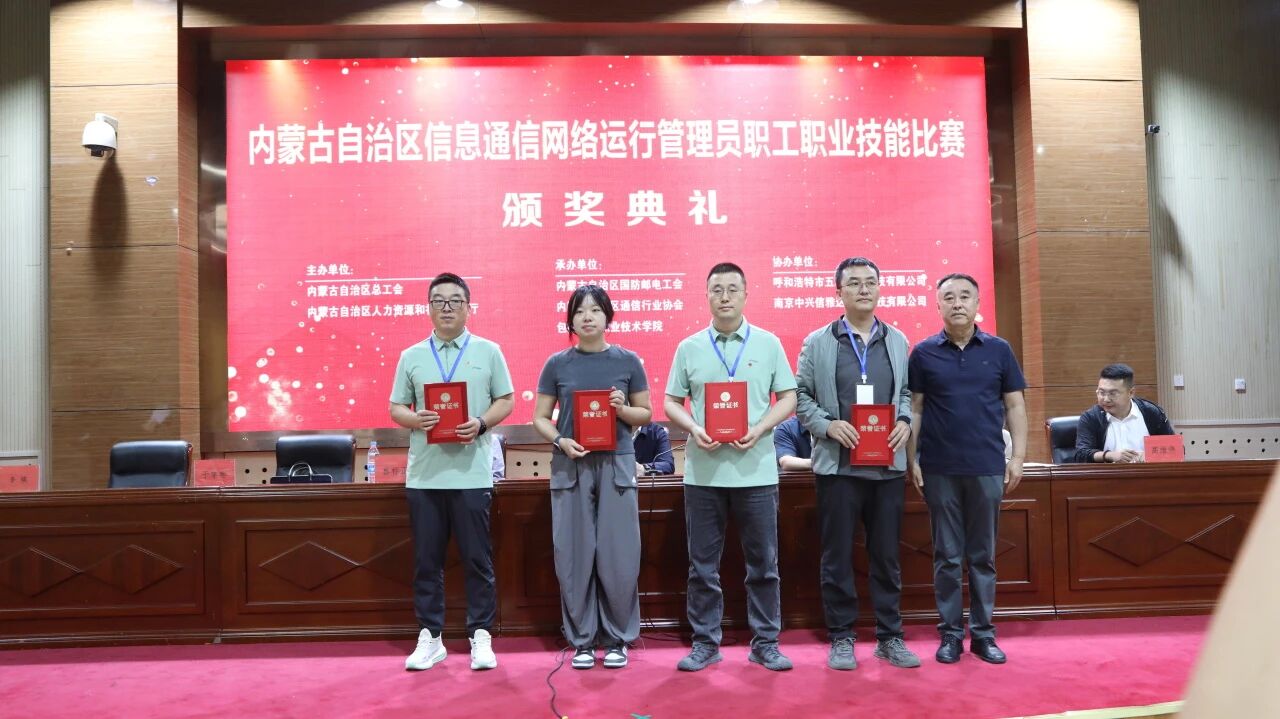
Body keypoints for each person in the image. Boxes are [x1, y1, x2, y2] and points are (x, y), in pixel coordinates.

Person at [664, 262, 798, 672]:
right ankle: (705, 643)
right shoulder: (689, 347)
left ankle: (766, 642)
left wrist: (760, 429)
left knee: (764, 565)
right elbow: (670, 402)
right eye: (717, 289)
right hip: (704, 473)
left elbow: (789, 397)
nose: (725, 296)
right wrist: (693, 427)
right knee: (702, 567)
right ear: (706, 295)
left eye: (732, 289)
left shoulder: (768, 343)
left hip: (757, 472)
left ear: (745, 294)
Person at [794, 256, 921, 671]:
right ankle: (842, 636)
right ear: (839, 292)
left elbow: (907, 393)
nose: (863, 289)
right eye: (854, 283)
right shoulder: (818, 342)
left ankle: (890, 636)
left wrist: (904, 420)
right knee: (836, 557)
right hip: (838, 468)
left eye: (870, 282)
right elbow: (800, 396)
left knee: (886, 556)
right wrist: (828, 425)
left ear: (880, 288)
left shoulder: (897, 340)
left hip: (887, 467)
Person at [389, 272, 514, 672]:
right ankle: (431, 637)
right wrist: (415, 420)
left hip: (472, 474)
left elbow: (506, 399)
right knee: (427, 561)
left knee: (478, 559)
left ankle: (481, 634)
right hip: (425, 476)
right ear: (428, 308)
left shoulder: (489, 351)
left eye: (455, 300)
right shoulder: (411, 356)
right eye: (439, 301)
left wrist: (481, 423)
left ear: (468, 307)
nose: (447, 307)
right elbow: (396, 407)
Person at [906, 272, 1027, 666]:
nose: (957, 303)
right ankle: (950, 635)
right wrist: (911, 459)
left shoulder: (999, 350)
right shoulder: (923, 353)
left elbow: (1015, 405)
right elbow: (916, 409)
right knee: (946, 556)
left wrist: (1017, 458)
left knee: (982, 556)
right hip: (939, 467)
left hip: (986, 466)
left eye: (964, 296)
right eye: (949, 297)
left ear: (977, 303)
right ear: (937, 304)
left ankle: (984, 635)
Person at [532, 284, 651, 670]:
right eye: (580, 311)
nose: (587, 317)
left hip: (616, 463)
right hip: (571, 464)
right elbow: (540, 418)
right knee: (574, 554)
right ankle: (582, 640)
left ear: (607, 316)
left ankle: (617, 639)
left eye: (595, 310)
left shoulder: (628, 361)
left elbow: (645, 413)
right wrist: (560, 440)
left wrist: (622, 409)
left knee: (619, 554)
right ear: (570, 319)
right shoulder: (556, 364)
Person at [1073, 363, 1176, 463]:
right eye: (1102, 392)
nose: (1106, 399)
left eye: (1113, 393)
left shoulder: (1151, 413)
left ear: (1131, 393)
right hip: (1107, 474)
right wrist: (1110, 456)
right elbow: (1081, 455)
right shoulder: (1091, 417)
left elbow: (1176, 449)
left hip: (1146, 473)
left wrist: (1150, 455)